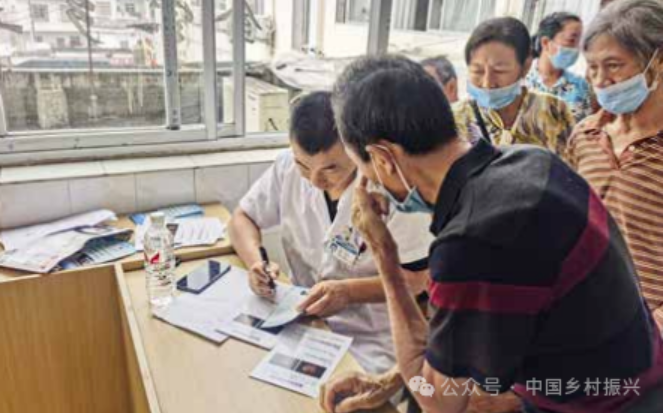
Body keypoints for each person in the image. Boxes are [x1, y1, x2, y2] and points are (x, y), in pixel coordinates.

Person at [320, 54, 663, 413]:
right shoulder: (530, 160)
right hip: (636, 375)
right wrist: (393, 378)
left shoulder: (474, 240)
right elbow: (460, 327)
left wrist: (383, 253)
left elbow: (439, 401)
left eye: (362, 172)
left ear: (383, 159)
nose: (366, 186)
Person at [228, 91, 433, 375]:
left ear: (356, 148)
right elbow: (242, 218)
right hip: (300, 319)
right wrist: (256, 262)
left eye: (331, 168)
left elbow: (418, 280)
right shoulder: (286, 166)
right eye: (303, 165)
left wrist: (348, 293)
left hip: (369, 339)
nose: (314, 180)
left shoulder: (393, 192)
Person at [567, 0, 663, 331]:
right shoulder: (585, 134)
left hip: (649, 329)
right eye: (592, 67)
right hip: (582, 314)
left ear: (658, 62)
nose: (601, 80)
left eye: (613, 65)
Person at [453, 17, 575, 157]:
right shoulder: (454, 119)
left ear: (526, 66)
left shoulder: (554, 110)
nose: (487, 83)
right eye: (477, 71)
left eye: (500, 71)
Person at [527, 12, 593, 122]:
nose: (576, 48)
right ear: (546, 42)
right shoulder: (521, 79)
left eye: (578, 43)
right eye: (571, 41)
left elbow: (583, 127)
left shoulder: (580, 86)